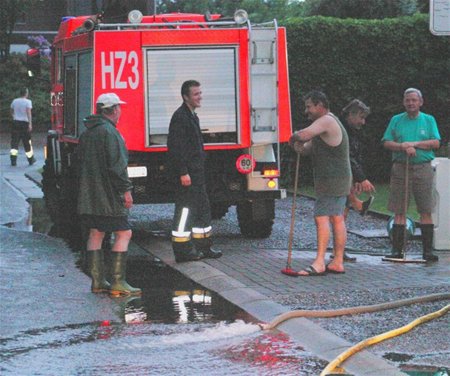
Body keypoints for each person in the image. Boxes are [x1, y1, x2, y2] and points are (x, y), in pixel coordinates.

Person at [77, 93, 141, 297]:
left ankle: (97, 281)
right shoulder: (111, 134)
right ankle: (118, 282)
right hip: (109, 196)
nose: (120, 111)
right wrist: (126, 191)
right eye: (119, 108)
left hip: (90, 196)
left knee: (96, 232)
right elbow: (117, 167)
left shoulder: (87, 133)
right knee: (124, 233)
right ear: (113, 110)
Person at [290, 90, 352, 275]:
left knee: (322, 217)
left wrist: (293, 136)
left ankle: (319, 262)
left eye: (309, 106)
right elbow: (306, 148)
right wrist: (298, 146)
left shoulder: (326, 120)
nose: (306, 111)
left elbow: (303, 135)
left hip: (334, 179)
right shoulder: (323, 125)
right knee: (336, 217)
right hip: (334, 178)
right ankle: (337, 261)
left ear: (319, 105)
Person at [382, 88, 441, 262]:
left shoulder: (429, 120)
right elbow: (386, 142)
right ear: (404, 102)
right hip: (401, 168)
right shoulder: (396, 120)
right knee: (399, 209)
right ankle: (397, 250)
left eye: (414, 100)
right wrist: (402, 146)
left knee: (425, 208)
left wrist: (414, 144)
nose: (410, 103)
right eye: (408, 100)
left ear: (420, 102)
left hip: (423, 167)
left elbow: (436, 142)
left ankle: (427, 251)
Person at [167, 80, 222, 263]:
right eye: (196, 94)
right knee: (185, 213)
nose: (200, 97)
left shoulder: (191, 116)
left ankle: (203, 247)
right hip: (188, 175)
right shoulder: (180, 117)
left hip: (197, 175)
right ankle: (183, 251)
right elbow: (176, 148)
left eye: (200, 93)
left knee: (202, 211)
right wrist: (183, 172)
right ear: (185, 97)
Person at [330, 99, 375, 263]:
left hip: (345, 175)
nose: (363, 122)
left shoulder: (351, 131)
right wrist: (361, 178)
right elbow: (348, 157)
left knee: (342, 214)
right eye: (361, 118)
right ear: (351, 115)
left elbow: (354, 157)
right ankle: (337, 252)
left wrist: (357, 178)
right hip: (338, 175)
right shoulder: (344, 131)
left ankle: (338, 251)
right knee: (339, 214)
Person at [10, 88, 36, 166]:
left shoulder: (15, 101)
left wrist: (14, 117)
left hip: (16, 123)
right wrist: (30, 124)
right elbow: (28, 113)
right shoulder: (28, 102)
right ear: (26, 93)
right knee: (27, 142)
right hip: (24, 123)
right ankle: (30, 160)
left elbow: (11, 110)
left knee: (14, 142)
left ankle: (13, 161)